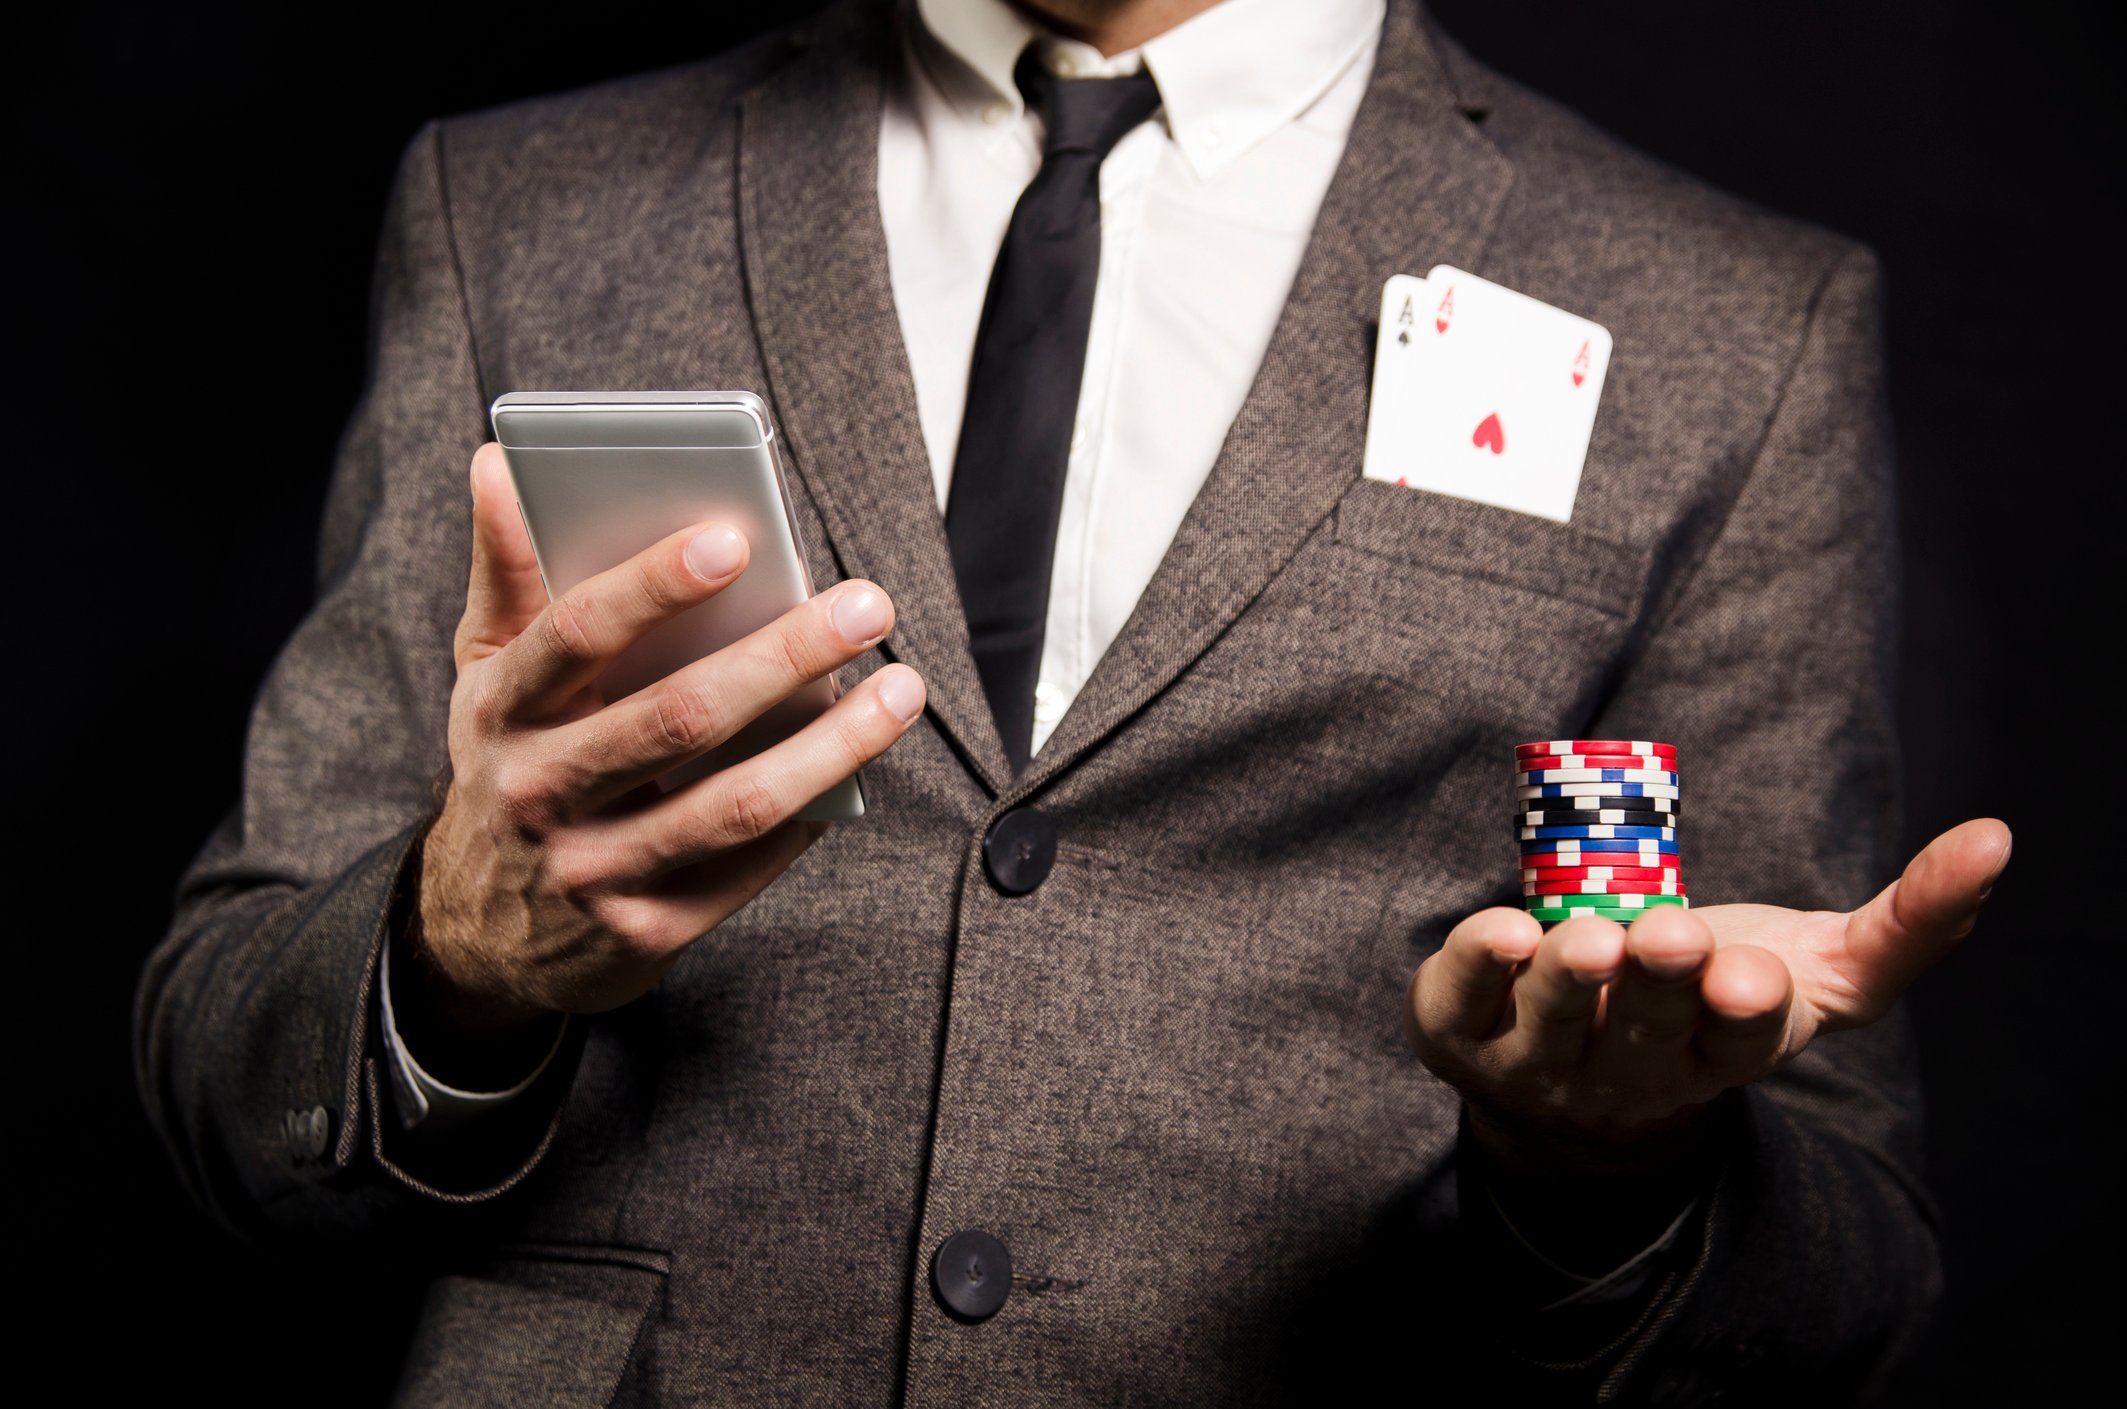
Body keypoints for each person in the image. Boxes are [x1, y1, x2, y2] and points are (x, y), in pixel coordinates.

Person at [135, 0, 2009, 1402]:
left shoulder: (1735, 326)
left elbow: (1842, 1290)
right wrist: (450, 953)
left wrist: (1606, 1162)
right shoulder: (519, 207)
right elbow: (222, 1068)